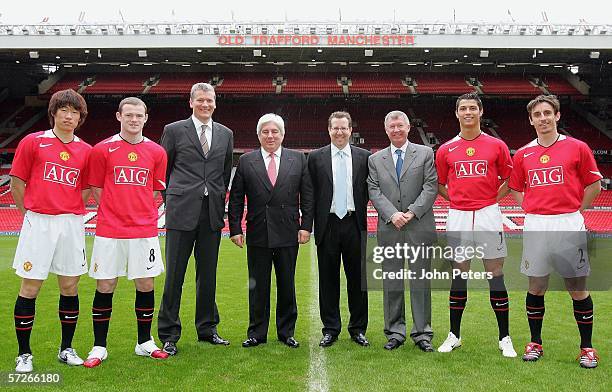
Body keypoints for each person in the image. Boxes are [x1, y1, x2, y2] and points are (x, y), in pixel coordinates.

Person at [509, 95, 602, 368]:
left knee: (577, 287)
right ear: (531, 120)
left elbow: (594, 185)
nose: (543, 118)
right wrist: (529, 208)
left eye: (547, 113)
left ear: (557, 116)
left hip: (567, 224)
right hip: (537, 224)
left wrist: (576, 212)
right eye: (537, 115)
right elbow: (515, 187)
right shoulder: (524, 153)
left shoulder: (577, 147)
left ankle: (587, 347)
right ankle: (535, 342)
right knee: (536, 286)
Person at [83, 97, 169, 368]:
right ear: (118, 116)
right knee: (105, 284)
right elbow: (96, 189)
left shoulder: (157, 152)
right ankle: (99, 346)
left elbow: (155, 190)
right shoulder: (101, 150)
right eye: (129, 115)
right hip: (110, 229)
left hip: (144, 229)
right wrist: (116, 209)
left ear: (146, 118)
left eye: (138, 115)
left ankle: (144, 342)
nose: (134, 120)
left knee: (146, 284)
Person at [10, 89, 91, 373]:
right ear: (54, 112)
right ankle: (24, 353)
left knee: (69, 286)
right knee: (30, 287)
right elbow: (16, 183)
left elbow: (84, 190)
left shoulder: (86, 150)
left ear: (81, 117)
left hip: (71, 224)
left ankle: (66, 348)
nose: (69, 116)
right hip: (38, 223)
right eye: (64, 110)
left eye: (74, 112)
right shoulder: (33, 142)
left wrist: (67, 210)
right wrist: (29, 215)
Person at [435, 92, 517, 357]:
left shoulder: (496, 145)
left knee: (495, 274)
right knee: (459, 276)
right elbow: (439, 183)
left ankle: (505, 337)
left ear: (480, 112)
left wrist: (490, 200)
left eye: (473, 108)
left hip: (488, 214)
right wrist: (458, 200)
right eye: (463, 108)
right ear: (456, 113)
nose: (468, 112)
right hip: (458, 215)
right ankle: (454, 335)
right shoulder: (446, 149)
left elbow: (510, 179)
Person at [158, 83, 234, 355]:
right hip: (181, 212)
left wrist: (216, 198)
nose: (205, 105)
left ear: (215, 103)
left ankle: (207, 328)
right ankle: (169, 333)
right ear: (191, 102)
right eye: (200, 100)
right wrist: (172, 201)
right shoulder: (174, 130)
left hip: (210, 213)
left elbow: (224, 173)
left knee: (208, 276)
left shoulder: (226, 134)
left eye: (210, 100)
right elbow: (162, 172)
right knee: (174, 276)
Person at [228, 113, 314, 348]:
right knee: (258, 286)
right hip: (258, 232)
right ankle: (256, 333)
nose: (270, 135)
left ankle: (287, 332)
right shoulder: (246, 161)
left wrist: (306, 225)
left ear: (283, 134)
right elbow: (236, 197)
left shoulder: (298, 159)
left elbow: (307, 196)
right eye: (265, 132)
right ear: (259, 135)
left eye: (275, 131)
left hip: (288, 232)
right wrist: (235, 228)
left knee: (287, 284)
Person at [367, 110, 437, 352]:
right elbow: (374, 190)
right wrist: (392, 214)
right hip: (390, 228)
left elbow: (431, 185)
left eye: (400, 125)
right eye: (391, 126)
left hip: (419, 226)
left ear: (408, 127)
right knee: (392, 282)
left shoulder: (426, 153)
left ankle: (422, 333)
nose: (396, 130)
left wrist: (411, 212)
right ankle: (395, 332)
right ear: (386, 130)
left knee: (420, 282)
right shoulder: (375, 159)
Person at [307, 111, 370, 347]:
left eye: (344, 128)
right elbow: (310, 193)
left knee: (358, 280)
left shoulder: (365, 157)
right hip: (328, 224)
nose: (340, 132)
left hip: (355, 223)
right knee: (328, 280)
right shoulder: (315, 157)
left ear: (351, 130)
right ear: (329, 129)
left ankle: (358, 328)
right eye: (335, 128)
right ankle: (331, 328)